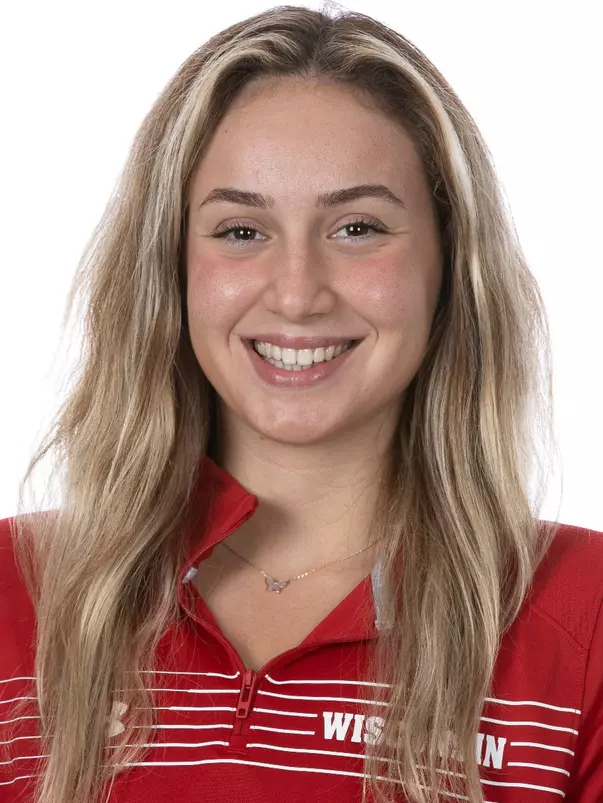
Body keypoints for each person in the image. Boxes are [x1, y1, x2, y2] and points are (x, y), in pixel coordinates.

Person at [0, 4, 602, 803]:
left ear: (449, 264)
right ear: (169, 269)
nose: (295, 293)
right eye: (240, 231)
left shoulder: (583, 615)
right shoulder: (17, 594)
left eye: (356, 226)